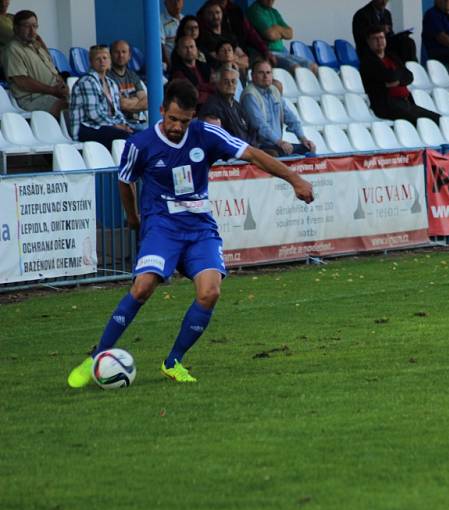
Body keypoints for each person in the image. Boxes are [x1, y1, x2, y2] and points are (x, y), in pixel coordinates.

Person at [67, 79, 314, 387]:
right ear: (161, 111)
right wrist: (133, 219)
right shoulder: (139, 144)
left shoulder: (205, 134)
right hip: (161, 226)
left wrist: (294, 179)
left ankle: (173, 362)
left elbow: (251, 154)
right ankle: (98, 355)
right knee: (143, 287)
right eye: (172, 119)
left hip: (199, 228)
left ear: (193, 116)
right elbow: (125, 180)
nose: (177, 127)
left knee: (210, 292)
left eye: (184, 121)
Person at [360, 26, 441, 124]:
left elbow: (409, 76)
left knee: (438, 119)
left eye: (381, 37)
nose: (379, 41)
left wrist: (397, 80)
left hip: (406, 103)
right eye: (375, 38)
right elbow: (389, 77)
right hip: (387, 106)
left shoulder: (392, 56)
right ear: (369, 42)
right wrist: (398, 76)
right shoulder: (368, 61)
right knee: (419, 122)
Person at [242, 58, 315, 156]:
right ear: (253, 76)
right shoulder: (250, 95)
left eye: (268, 73)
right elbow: (260, 126)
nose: (265, 76)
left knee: (308, 149)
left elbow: (291, 118)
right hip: (259, 146)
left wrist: (303, 139)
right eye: (261, 73)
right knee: (282, 155)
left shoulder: (274, 91)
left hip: (276, 145)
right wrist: (280, 142)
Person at [2, 10, 68, 116]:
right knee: (65, 106)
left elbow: (53, 71)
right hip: (33, 98)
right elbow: (22, 81)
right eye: (27, 26)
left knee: (81, 101)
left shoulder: (37, 45)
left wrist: (63, 87)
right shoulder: (13, 49)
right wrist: (52, 90)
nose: (32, 31)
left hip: (53, 92)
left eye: (35, 26)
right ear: (16, 28)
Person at [69, 45, 132, 149]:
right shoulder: (87, 81)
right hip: (85, 128)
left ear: (110, 60)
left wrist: (124, 125)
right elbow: (93, 114)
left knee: (139, 134)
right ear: (91, 62)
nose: (102, 61)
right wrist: (116, 126)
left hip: (106, 125)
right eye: (98, 59)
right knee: (123, 136)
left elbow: (117, 110)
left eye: (105, 58)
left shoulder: (111, 83)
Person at [246, 0, 318, 75]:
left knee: (313, 67)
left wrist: (276, 28)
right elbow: (271, 35)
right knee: (296, 69)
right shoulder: (254, 11)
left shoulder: (274, 12)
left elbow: (290, 34)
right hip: (267, 53)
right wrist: (281, 31)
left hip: (283, 52)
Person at [199, 64, 255, 145]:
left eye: (233, 81)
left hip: (246, 149)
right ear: (218, 84)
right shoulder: (212, 107)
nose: (230, 84)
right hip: (230, 154)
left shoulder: (236, 105)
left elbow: (252, 130)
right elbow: (219, 140)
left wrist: (252, 147)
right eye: (226, 81)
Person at [352, 0, 417, 62]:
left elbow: (390, 36)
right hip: (369, 50)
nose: (384, 2)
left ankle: (411, 68)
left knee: (407, 41)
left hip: (386, 47)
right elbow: (360, 39)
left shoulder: (387, 13)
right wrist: (379, 30)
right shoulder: (361, 15)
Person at [197, 1, 249, 74]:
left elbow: (246, 60)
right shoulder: (204, 37)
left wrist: (231, 60)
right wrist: (236, 59)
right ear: (204, 16)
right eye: (210, 13)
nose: (215, 16)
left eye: (217, 12)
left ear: (222, 14)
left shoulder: (229, 35)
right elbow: (219, 60)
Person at [108, 40, 148, 132]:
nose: (121, 55)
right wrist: (136, 100)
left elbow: (146, 102)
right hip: (120, 124)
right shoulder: (108, 77)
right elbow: (121, 104)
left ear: (129, 55)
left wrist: (130, 104)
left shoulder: (132, 75)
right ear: (110, 55)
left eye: (124, 52)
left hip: (137, 123)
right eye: (117, 52)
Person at [169, 35, 215, 107]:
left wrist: (200, 88)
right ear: (178, 51)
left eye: (191, 47)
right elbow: (190, 91)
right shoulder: (176, 71)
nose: (189, 50)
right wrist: (207, 88)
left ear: (196, 49)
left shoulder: (206, 66)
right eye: (185, 47)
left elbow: (215, 86)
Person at [161, 0, 184, 67]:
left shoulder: (184, 19)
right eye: (172, 1)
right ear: (165, 3)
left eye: (178, 0)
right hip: (173, 65)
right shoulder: (160, 21)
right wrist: (170, 67)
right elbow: (161, 46)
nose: (176, 4)